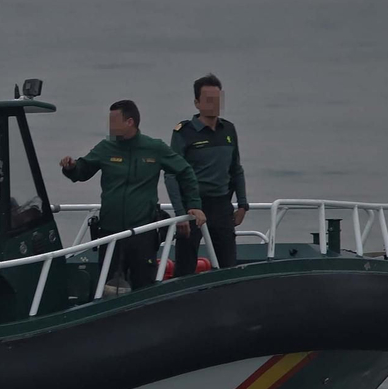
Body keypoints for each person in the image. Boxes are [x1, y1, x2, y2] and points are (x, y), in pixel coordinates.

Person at [60, 100, 204, 290]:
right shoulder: (105, 148)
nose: (110, 126)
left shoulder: (154, 148)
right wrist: (71, 167)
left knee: (144, 286)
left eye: (114, 121)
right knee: (108, 288)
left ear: (129, 122)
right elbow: (82, 171)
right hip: (110, 234)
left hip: (142, 234)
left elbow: (185, 172)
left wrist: (193, 204)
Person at [166, 74, 250, 275]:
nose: (214, 105)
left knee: (227, 264)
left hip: (221, 206)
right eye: (209, 100)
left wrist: (243, 204)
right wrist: (180, 215)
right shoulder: (183, 132)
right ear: (197, 103)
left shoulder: (228, 129)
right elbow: (171, 175)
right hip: (193, 207)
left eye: (217, 100)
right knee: (185, 266)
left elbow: (236, 169)